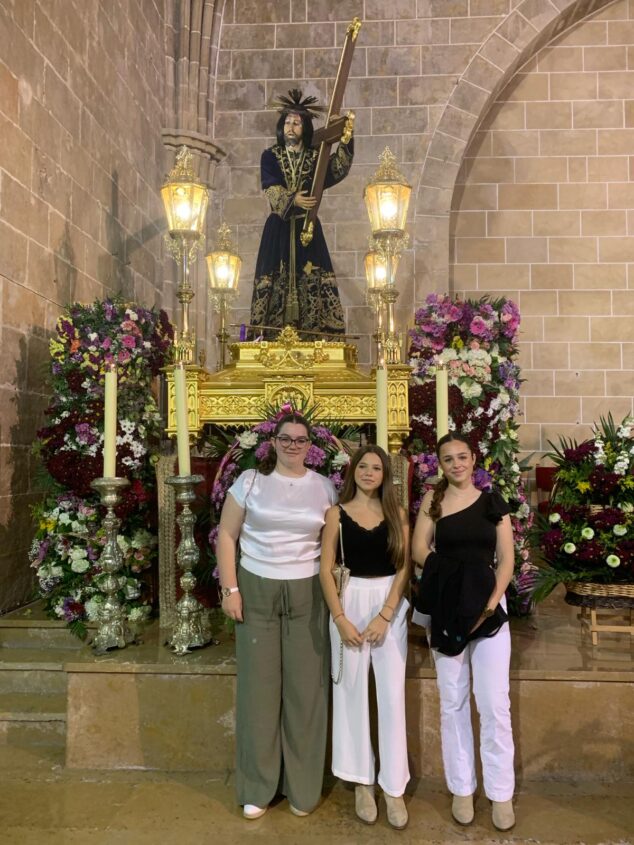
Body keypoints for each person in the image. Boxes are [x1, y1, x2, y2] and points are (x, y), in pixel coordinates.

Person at [216, 412, 337, 819]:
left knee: (307, 692)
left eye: (300, 440)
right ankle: (258, 786)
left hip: (307, 592)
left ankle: (302, 787)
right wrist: (230, 589)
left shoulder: (323, 487)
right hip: (256, 587)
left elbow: (332, 546)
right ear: (273, 442)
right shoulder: (250, 482)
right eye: (285, 439)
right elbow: (227, 535)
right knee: (259, 690)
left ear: (310, 446)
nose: (292, 445)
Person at [411, 432, 516, 831]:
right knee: (452, 701)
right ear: (440, 464)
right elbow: (419, 547)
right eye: (448, 459)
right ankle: (461, 789)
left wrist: (490, 602)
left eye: (462, 457)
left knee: (493, 703)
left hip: (488, 605)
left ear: (474, 460)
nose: (456, 464)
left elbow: (505, 558)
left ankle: (501, 795)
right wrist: (449, 575)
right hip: (448, 604)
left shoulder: (492, 502)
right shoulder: (433, 502)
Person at [320, 446, 411, 829]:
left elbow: (404, 567)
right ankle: (360, 780)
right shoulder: (335, 515)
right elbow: (325, 570)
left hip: (388, 603)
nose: (369, 472)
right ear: (352, 471)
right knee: (350, 694)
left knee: (391, 697)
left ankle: (393, 786)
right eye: (363, 466)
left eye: (376, 467)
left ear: (385, 475)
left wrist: (386, 614)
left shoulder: (398, 514)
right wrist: (340, 618)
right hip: (348, 601)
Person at [249, 88, 353, 339]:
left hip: (308, 228)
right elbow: (271, 189)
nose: (291, 127)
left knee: (312, 278)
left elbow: (337, 168)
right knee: (274, 279)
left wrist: (348, 136)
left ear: (304, 127)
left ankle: (314, 334)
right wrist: (293, 198)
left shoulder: (316, 157)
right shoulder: (270, 156)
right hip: (279, 228)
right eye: (287, 122)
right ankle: (271, 334)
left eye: (296, 122)